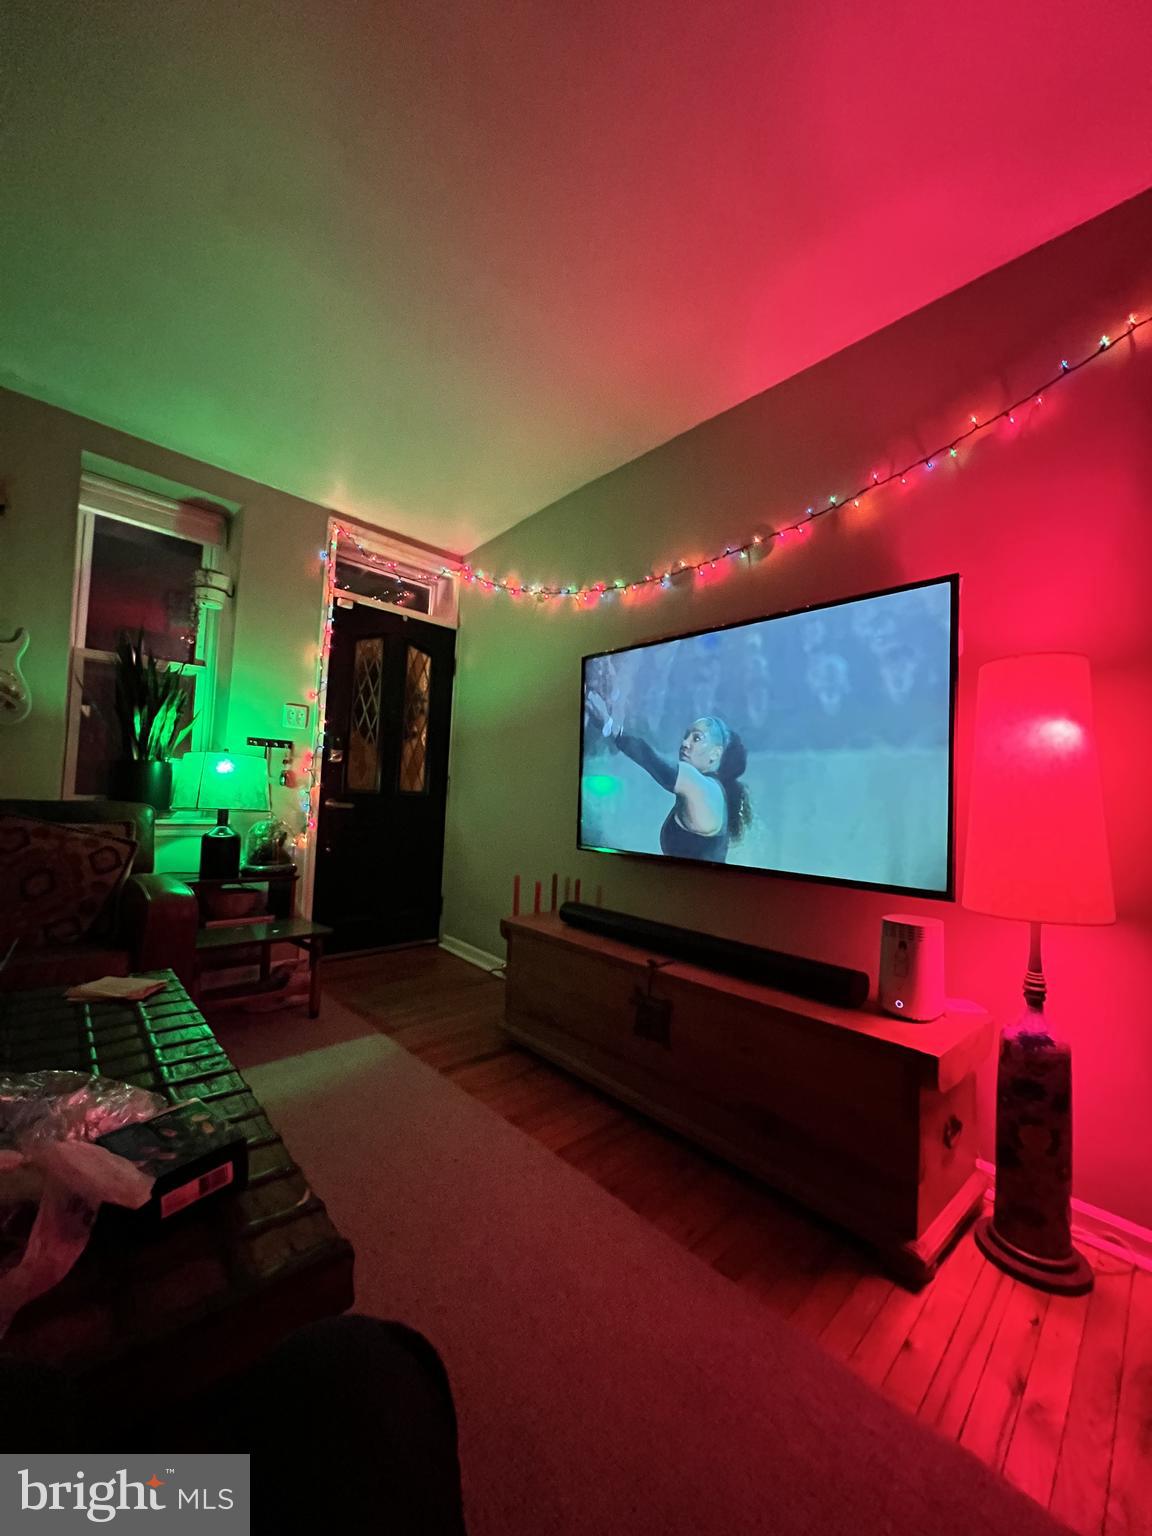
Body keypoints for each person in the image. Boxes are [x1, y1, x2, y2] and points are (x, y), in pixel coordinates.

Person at [586, 690, 751, 863]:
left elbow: (651, 760)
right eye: (686, 736)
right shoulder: (708, 788)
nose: (685, 743)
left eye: (696, 738)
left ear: (715, 754)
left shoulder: (702, 787)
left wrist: (609, 725)